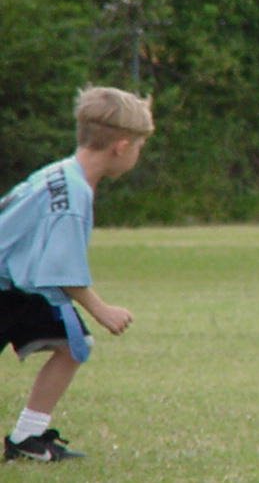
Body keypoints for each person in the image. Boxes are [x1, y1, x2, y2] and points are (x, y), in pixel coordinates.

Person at [1, 86, 153, 461]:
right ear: (121, 146)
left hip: (15, 286)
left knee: (73, 344)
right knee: (74, 342)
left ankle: (27, 439)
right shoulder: (73, 193)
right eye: (139, 145)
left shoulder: (60, 173)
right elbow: (61, 269)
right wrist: (103, 310)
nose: (139, 153)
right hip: (8, 286)